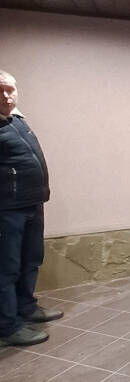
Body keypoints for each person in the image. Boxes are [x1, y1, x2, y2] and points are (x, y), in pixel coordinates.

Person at [0, 70, 63, 347]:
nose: (6, 96)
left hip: (33, 204)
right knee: (6, 268)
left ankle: (25, 308)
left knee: (30, 260)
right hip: (7, 210)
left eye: (10, 90)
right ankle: (7, 326)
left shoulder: (17, 121)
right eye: (0, 91)